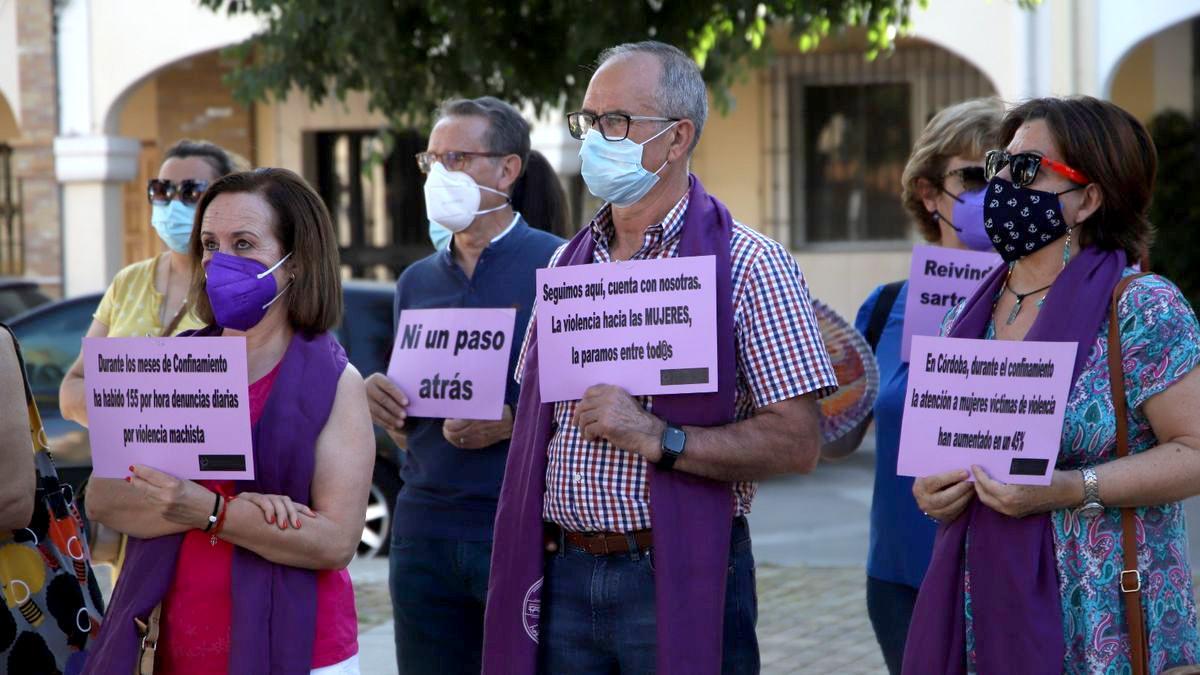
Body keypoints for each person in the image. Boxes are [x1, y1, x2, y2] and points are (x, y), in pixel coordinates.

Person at [483, 41, 839, 675]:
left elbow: (798, 441)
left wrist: (659, 438)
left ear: (677, 139)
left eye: (616, 122)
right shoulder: (568, 266)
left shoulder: (748, 266)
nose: (595, 138)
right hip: (560, 575)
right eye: (588, 120)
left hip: (677, 570)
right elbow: (540, 419)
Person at [906, 97, 1200, 673]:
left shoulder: (1141, 308)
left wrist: (1071, 488)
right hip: (983, 608)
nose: (1000, 185)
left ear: (1088, 199)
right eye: (999, 165)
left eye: (1026, 170)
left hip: (1104, 613)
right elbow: (944, 461)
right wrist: (931, 494)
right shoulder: (963, 316)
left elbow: (1195, 450)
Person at [84, 168, 375, 674]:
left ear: (296, 263)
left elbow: (335, 541)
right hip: (167, 641)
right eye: (211, 244)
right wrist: (242, 513)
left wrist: (211, 510)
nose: (221, 262)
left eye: (244, 244)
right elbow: (105, 498)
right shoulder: (170, 363)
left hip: (300, 648)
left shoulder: (337, 382)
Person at [363, 96, 565, 674]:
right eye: (432, 160)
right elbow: (412, 431)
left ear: (508, 170)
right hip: (422, 526)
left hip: (520, 524)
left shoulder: (560, 267)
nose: (440, 174)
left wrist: (510, 420)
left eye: (458, 157)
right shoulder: (416, 281)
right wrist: (388, 408)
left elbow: (592, 407)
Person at [819, 98, 1003, 674]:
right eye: (974, 175)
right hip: (901, 579)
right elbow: (837, 440)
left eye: (1009, 172)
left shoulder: (1050, 303)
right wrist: (815, 388)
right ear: (928, 193)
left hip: (1010, 572)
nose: (994, 191)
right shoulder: (887, 307)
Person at [60, 140, 237, 427]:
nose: (173, 204)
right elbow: (72, 388)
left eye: (192, 192)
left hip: (199, 470)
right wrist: (134, 417)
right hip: (120, 470)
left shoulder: (239, 286)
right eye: (161, 190)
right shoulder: (128, 281)